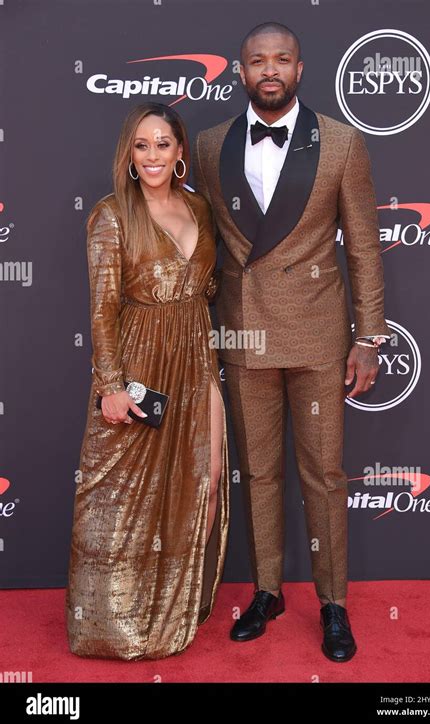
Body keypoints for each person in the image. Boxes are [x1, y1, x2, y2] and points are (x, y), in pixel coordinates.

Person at [191, 22, 391, 662]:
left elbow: (364, 248)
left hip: (317, 334)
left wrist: (369, 336)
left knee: (324, 474)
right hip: (243, 331)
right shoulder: (209, 144)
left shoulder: (341, 142)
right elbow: (195, 240)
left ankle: (333, 604)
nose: (269, 69)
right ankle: (268, 592)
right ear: (241, 71)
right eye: (258, 60)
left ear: (300, 70)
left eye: (281, 59)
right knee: (259, 472)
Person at [66, 102, 229, 660]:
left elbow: (208, 287)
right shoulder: (112, 215)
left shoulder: (200, 208)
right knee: (124, 500)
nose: (153, 155)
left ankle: (171, 611)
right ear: (129, 155)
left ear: (180, 151)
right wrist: (111, 385)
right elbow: (101, 309)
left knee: (204, 481)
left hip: (197, 359)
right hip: (138, 366)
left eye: (163, 143)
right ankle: (116, 627)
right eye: (142, 145)